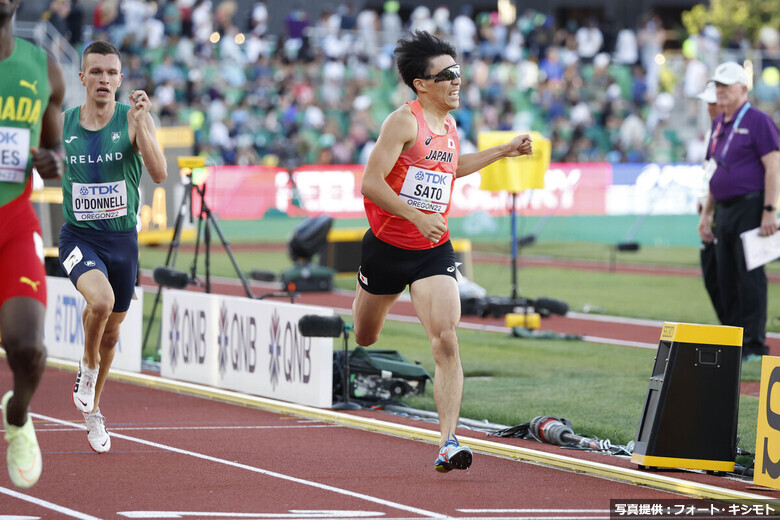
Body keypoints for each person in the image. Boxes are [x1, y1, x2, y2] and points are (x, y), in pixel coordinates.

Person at [352, 30, 533, 473]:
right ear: (421, 83)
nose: (457, 81)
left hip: (432, 250)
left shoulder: (449, 125)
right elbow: (371, 183)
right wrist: (414, 214)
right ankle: (370, 300)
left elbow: (451, 169)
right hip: (386, 249)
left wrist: (503, 151)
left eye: (458, 72)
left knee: (447, 340)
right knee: (365, 337)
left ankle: (448, 442)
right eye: (447, 74)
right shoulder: (403, 122)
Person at [59, 40, 167, 453]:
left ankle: (94, 411)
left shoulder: (134, 119)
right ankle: (86, 368)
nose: (104, 79)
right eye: (96, 72)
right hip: (78, 236)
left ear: (120, 80)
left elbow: (158, 174)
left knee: (112, 333)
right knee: (100, 304)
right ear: (82, 77)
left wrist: (143, 125)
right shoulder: (66, 123)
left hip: (123, 240)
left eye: (111, 73)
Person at [0, 0, 66, 488]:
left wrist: (52, 161)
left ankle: (18, 416)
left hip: (15, 223)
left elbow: (53, 149)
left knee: (28, 348)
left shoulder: (44, 68)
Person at [698, 62, 780, 359]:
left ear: (743, 90)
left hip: (751, 205)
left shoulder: (758, 120)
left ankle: (755, 344)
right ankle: (735, 342)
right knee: (726, 274)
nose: (720, 91)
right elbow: (714, 173)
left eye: (726, 86)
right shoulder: (719, 124)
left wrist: (770, 210)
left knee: (750, 276)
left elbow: (773, 166)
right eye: (717, 86)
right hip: (724, 208)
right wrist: (707, 213)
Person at [695, 81, 727, 325]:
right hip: (709, 211)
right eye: (708, 103)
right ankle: (730, 331)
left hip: (724, 211)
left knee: (730, 277)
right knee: (712, 276)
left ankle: (743, 336)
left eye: (713, 103)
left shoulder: (728, 131)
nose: (709, 108)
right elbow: (708, 173)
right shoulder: (712, 133)